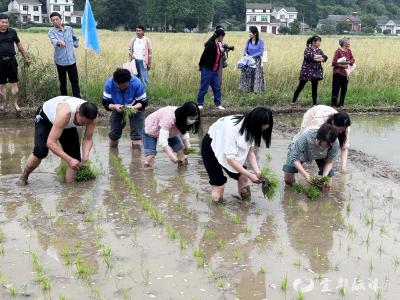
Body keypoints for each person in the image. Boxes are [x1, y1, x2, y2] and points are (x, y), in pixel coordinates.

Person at [18, 96, 99, 184]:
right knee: (41, 151)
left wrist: (85, 157)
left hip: (66, 123)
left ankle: (70, 189)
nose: (83, 125)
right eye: (82, 122)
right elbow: (51, 142)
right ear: (78, 111)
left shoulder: (93, 118)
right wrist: (69, 160)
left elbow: (88, 138)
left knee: (75, 158)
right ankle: (24, 177)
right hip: (45, 118)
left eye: (86, 124)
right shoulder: (65, 113)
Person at [201, 107, 273, 203]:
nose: (262, 132)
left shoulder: (252, 128)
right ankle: (217, 214)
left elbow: (250, 153)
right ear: (255, 124)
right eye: (261, 129)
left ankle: (246, 206)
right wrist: (251, 176)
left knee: (243, 177)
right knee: (219, 186)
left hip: (227, 144)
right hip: (212, 145)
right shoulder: (233, 130)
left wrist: (257, 172)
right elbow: (231, 160)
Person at [143, 102, 200, 168]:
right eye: (191, 119)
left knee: (181, 152)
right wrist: (171, 156)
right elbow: (163, 140)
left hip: (170, 132)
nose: (193, 121)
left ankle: (181, 175)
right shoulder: (169, 117)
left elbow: (184, 132)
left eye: (195, 119)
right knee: (150, 156)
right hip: (151, 130)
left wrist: (188, 148)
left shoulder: (183, 118)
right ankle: (148, 175)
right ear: (184, 115)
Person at [102, 68, 148, 149]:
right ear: (116, 82)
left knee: (136, 135)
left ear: (129, 81)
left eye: (126, 86)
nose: (123, 88)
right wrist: (115, 107)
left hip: (136, 108)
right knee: (114, 134)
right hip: (118, 107)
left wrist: (133, 107)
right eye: (121, 86)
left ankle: (136, 159)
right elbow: (106, 103)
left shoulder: (137, 83)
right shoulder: (109, 84)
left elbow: (143, 102)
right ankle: (112, 155)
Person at [301, 105, 351, 173]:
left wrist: (343, 167)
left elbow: (344, 147)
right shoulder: (318, 123)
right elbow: (311, 139)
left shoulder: (345, 127)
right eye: (339, 129)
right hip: (312, 115)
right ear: (333, 122)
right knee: (309, 143)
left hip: (327, 112)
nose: (341, 132)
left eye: (343, 129)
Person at [0, 13, 30, 112]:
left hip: (11, 61)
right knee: (1, 85)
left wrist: (25, 58)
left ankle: (15, 103)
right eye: (3, 22)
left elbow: (19, 45)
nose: (5, 24)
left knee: (14, 84)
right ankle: (4, 103)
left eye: (6, 22)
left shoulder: (12, 32)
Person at [48, 12, 81, 98]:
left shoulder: (69, 29)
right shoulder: (51, 32)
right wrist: (59, 42)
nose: (55, 21)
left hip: (71, 60)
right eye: (53, 20)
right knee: (63, 83)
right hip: (60, 62)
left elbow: (76, 38)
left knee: (75, 82)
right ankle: (64, 100)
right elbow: (53, 40)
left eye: (56, 19)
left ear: (60, 19)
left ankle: (77, 99)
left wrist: (74, 44)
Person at [292, 35, 328, 107]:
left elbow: (325, 58)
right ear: (313, 42)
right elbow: (309, 56)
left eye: (320, 42)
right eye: (318, 42)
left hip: (316, 71)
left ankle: (314, 104)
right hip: (307, 71)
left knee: (314, 87)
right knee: (301, 86)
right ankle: (293, 102)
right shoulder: (307, 49)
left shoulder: (319, 50)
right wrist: (318, 57)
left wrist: (317, 57)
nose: (319, 43)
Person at [197, 28, 226, 111]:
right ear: (220, 36)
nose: (223, 39)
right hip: (207, 69)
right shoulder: (211, 44)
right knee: (204, 86)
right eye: (222, 37)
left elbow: (218, 53)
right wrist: (200, 65)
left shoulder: (218, 44)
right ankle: (200, 103)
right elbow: (203, 55)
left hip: (215, 70)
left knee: (217, 87)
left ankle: (218, 104)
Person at [238, 26, 265, 93]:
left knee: (256, 75)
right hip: (248, 60)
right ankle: (246, 90)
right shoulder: (248, 41)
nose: (249, 34)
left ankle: (256, 91)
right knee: (247, 74)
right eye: (249, 32)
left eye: (250, 32)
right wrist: (246, 54)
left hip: (256, 61)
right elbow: (245, 50)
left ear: (255, 33)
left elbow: (261, 52)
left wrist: (252, 56)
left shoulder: (260, 41)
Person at [331, 37, 355, 107]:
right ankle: (333, 104)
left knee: (344, 89)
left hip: (346, 73)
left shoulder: (349, 51)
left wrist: (349, 62)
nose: (349, 43)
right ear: (344, 43)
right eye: (348, 41)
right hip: (338, 73)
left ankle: (341, 104)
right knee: (336, 88)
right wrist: (343, 66)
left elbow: (353, 59)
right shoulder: (338, 51)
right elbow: (334, 63)